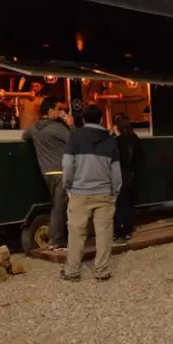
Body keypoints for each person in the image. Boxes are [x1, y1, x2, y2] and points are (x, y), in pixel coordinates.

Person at [61, 104, 122, 282]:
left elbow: (67, 165)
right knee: (104, 234)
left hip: (79, 193)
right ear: (101, 119)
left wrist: (68, 186)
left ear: (84, 119)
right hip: (104, 193)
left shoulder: (75, 136)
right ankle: (102, 270)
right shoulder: (110, 139)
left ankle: (72, 271)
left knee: (76, 233)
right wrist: (115, 191)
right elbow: (116, 170)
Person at [22, 98, 73, 251]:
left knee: (57, 205)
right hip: (62, 171)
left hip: (47, 172)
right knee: (60, 206)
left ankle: (57, 237)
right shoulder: (58, 128)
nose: (61, 112)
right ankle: (56, 240)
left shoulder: (34, 128)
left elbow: (25, 136)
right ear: (50, 111)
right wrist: (70, 124)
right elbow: (75, 140)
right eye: (58, 109)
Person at [112, 114, 144, 245]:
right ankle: (127, 229)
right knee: (129, 205)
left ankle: (120, 232)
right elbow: (141, 157)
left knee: (120, 205)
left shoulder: (118, 141)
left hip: (122, 176)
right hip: (133, 175)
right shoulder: (134, 138)